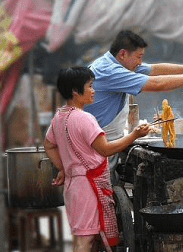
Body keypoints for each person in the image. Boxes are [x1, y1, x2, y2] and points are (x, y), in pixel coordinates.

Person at [43, 67, 150, 252]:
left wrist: (63, 168)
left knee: (85, 239)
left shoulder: (59, 117)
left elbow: (48, 145)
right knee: (85, 242)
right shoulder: (85, 118)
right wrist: (134, 135)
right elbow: (106, 149)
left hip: (73, 187)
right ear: (76, 91)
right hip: (87, 189)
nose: (94, 91)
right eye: (90, 86)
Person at [84, 30, 183, 185]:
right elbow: (156, 83)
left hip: (108, 141)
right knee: (99, 194)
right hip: (97, 146)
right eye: (139, 57)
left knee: (108, 191)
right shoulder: (109, 70)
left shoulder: (118, 64)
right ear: (122, 54)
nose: (140, 62)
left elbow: (156, 69)